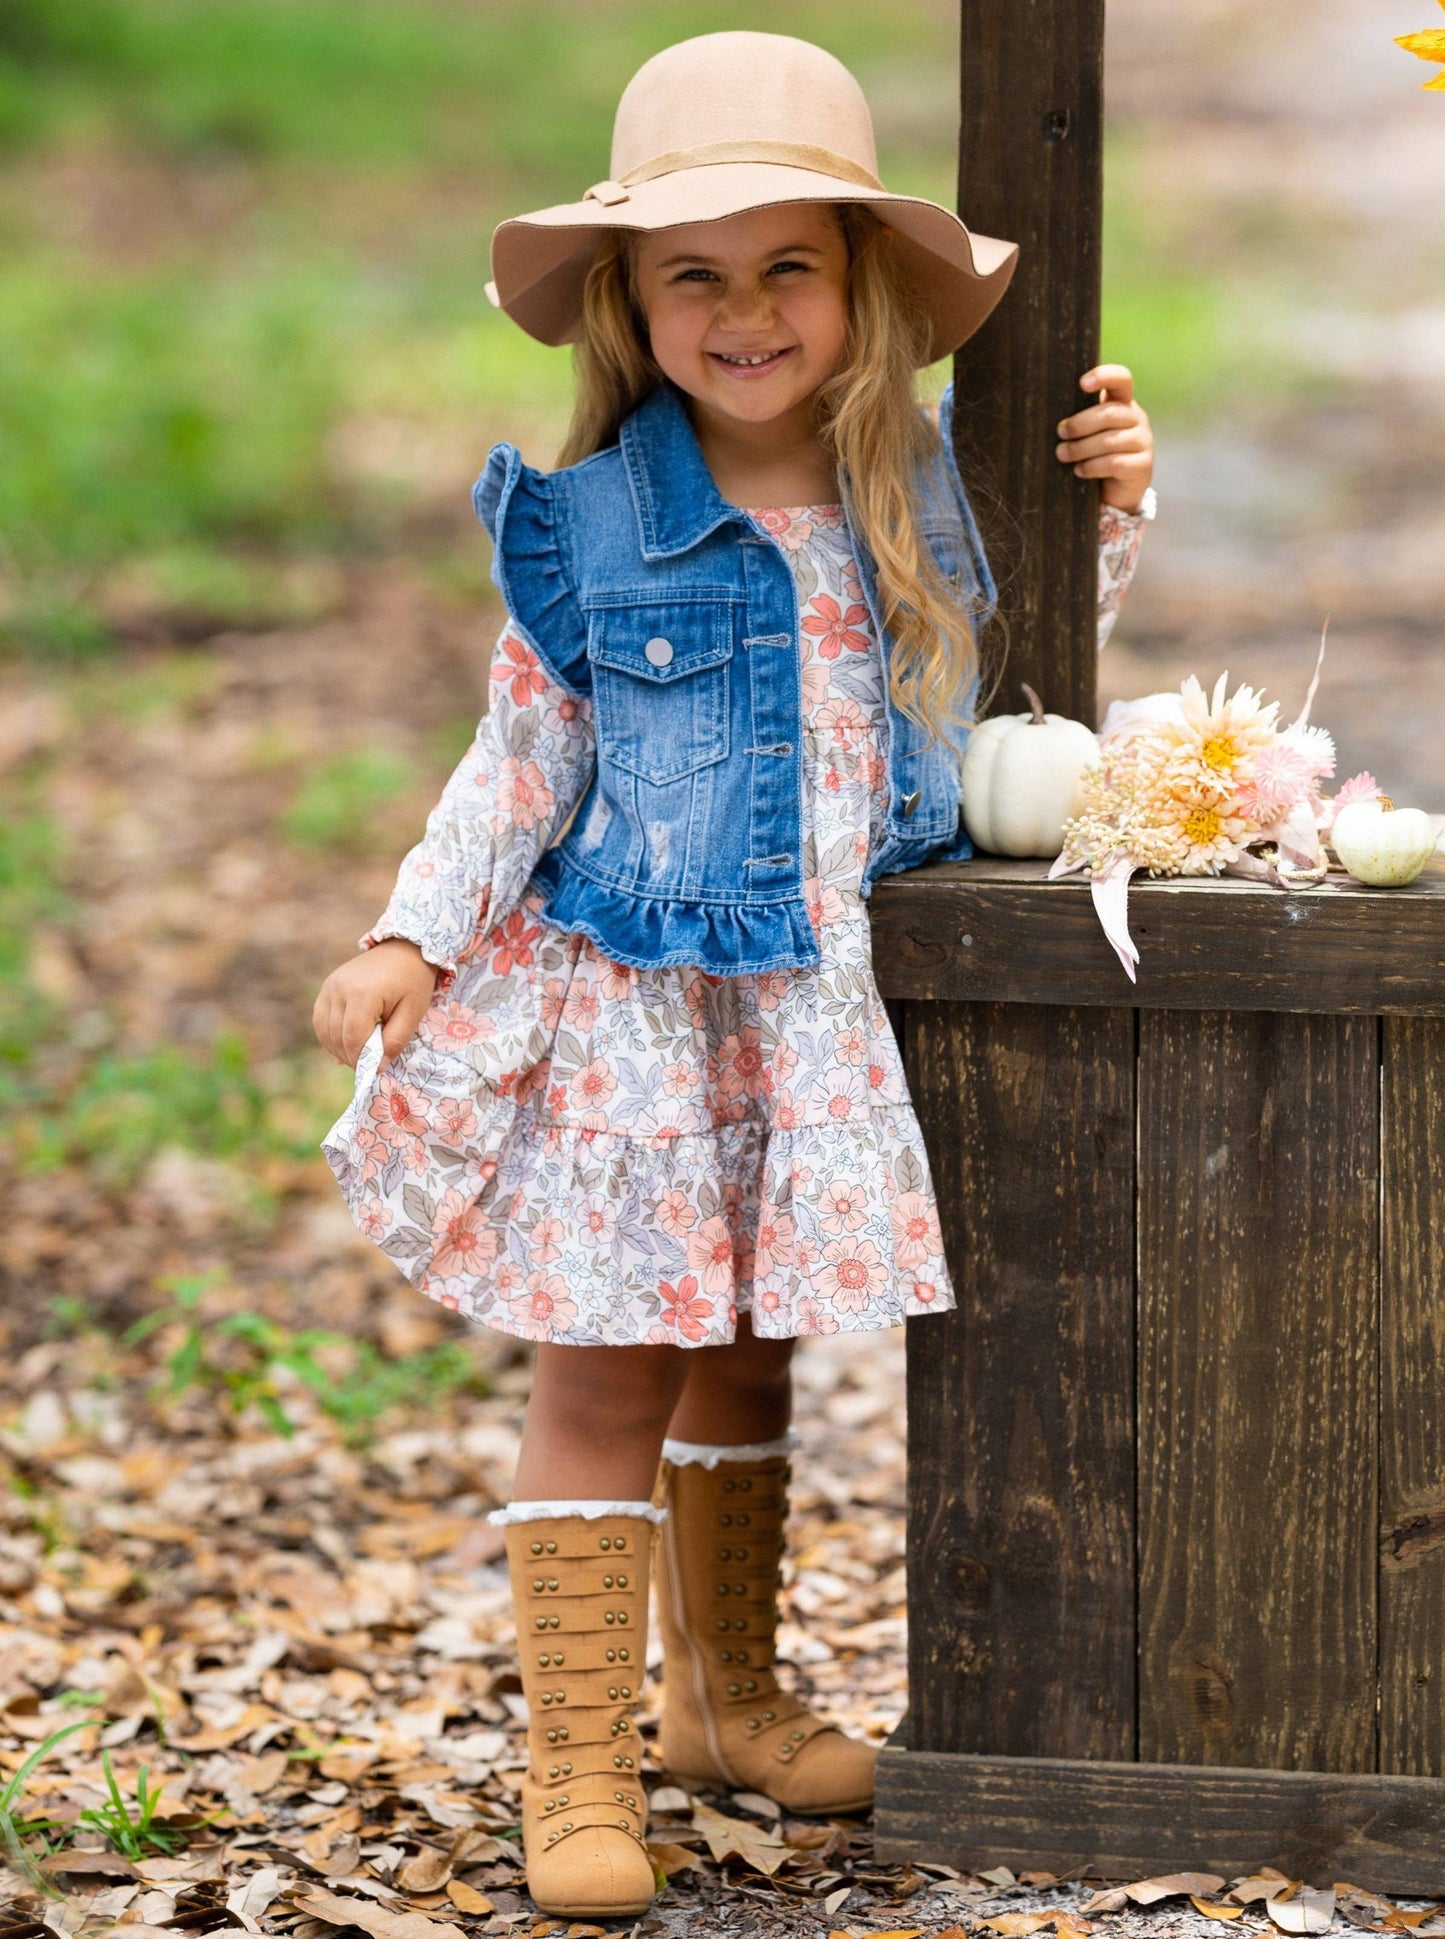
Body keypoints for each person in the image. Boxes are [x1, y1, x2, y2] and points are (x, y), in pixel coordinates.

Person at [313, 31, 1156, 1920]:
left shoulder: (922, 498)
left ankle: (726, 1700)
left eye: (790, 264)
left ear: (861, 291)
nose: (745, 308)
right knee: (614, 1362)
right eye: (694, 270)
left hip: (798, 1016)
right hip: (629, 1014)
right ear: (627, 300)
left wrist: (1099, 490)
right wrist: (410, 931)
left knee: (746, 1337)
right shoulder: (596, 523)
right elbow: (521, 757)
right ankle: (574, 1771)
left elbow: (1007, 679)